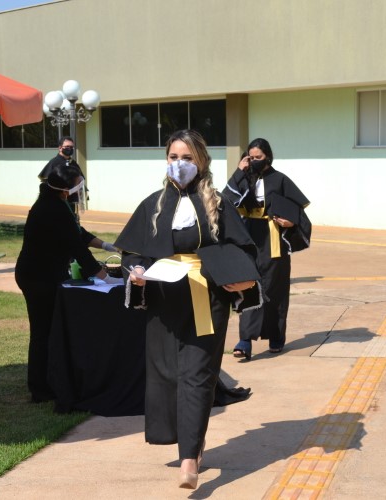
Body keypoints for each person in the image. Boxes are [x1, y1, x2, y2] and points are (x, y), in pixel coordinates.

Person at [115, 129, 262, 490]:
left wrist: (241, 280)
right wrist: (135, 271)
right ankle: (192, 440)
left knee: (197, 375)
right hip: (164, 300)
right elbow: (131, 252)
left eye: (187, 158)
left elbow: (243, 249)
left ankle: (189, 459)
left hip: (204, 298)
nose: (179, 164)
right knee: (167, 374)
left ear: (201, 161)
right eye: (173, 157)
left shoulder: (218, 204)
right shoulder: (153, 204)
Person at [15, 162, 119, 403]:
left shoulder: (57, 203)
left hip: (41, 274)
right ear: (66, 189)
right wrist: (106, 279)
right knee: (42, 332)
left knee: (47, 331)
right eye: (77, 185)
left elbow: (78, 232)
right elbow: (78, 248)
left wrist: (108, 246)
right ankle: (40, 389)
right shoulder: (52, 208)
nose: (80, 190)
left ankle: (46, 382)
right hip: (38, 278)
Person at [222, 138, 311, 359]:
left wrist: (291, 223)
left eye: (258, 157)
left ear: (268, 157)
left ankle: (276, 336)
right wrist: (239, 171)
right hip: (249, 236)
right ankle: (245, 340)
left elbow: (298, 210)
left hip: (273, 238)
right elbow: (226, 199)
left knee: (275, 288)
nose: (254, 161)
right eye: (251, 157)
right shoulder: (244, 177)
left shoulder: (280, 179)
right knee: (248, 284)